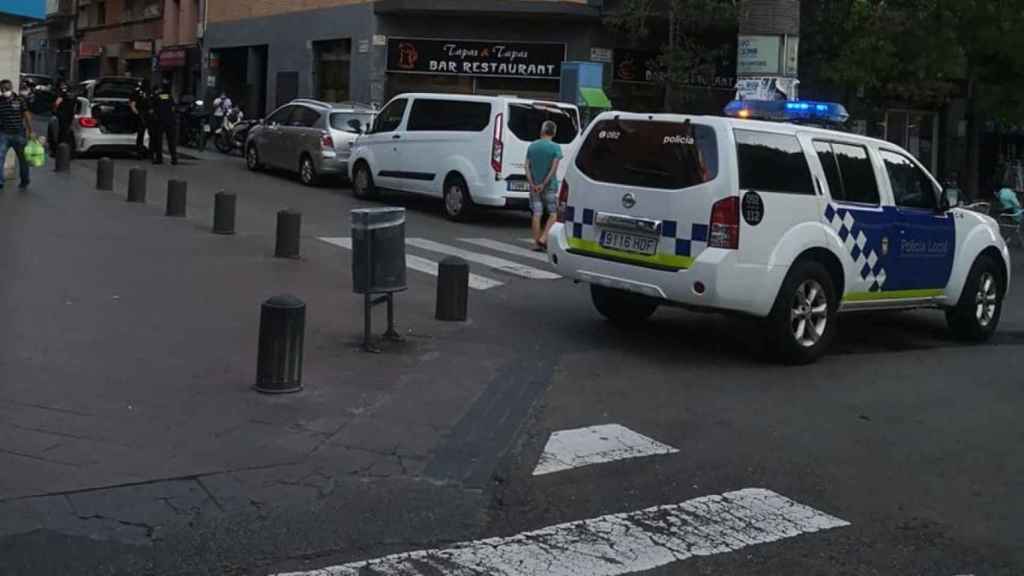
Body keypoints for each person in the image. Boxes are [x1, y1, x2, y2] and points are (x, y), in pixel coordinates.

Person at [525, 120, 563, 251]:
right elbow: (553, 169)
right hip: (549, 186)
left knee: (537, 213)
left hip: (534, 186)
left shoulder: (532, 146)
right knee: (553, 214)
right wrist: (544, 183)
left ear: (542, 131)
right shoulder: (556, 148)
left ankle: (536, 243)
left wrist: (532, 183)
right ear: (554, 132)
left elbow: (527, 166)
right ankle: (543, 238)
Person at [0, 78, 34, 189]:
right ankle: (0, 181)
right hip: (4, 134)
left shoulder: (20, 100)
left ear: (11, 88)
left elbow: (27, 115)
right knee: (0, 157)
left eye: (6, 88)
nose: (5, 90)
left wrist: (31, 131)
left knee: (23, 160)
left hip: (19, 134)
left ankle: (25, 180)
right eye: (2, 89)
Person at [149, 78, 178, 165]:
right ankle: (174, 159)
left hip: (160, 121)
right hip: (170, 121)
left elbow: (151, 110)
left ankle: (159, 159)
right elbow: (173, 108)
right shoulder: (169, 96)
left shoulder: (156, 97)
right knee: (171, 141)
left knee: (159, 140)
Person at [51, 80, 76, 156]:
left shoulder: (62, 97)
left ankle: (58, 151)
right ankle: (67, 152)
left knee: (60, 134)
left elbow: (56, 105)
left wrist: (55, 111)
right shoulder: (73, 97)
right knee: (66, 134)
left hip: (62, 118)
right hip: (68, 117)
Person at [128, 79, 151, 160]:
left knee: (147, 134)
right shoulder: (138, 91)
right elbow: (132, 104)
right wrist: (138, 114)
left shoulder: (148, 92)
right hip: (142, 114)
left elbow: (132, 104)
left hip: (147, 114)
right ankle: (139, 152)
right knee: (141, 134)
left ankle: (147, 152)